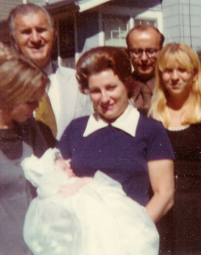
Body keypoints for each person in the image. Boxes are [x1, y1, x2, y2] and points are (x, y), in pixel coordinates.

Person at [58, 46, 175, 224]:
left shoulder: (150, 129)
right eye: (96, 91)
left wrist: (134, 232)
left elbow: (164, 195)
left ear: (127, 84)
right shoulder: (76, 129)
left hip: (132, 238)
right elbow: (57, 181)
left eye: (111, 87)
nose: (104, 99)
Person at [149, 43, 201, 255]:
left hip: (197, 214)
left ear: (194, 74)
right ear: (161, 75)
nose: (175, 77)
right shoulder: (148, 118)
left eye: (182, 70)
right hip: (158, 212)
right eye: (168, 70)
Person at [22, 148, 159, 255]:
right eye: (64, 169)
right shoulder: (48, 197)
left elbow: (93, 183)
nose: (69, 169)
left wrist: (78, 184)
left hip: (96, 222)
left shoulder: (76, 182)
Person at [7, 3, 92, 146]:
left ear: (54, 34)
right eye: (26, 32)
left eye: (41, 30)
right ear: (14, 40)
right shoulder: (5, 85)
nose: (35, 39)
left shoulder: (78, 81)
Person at [0, 42, 49, 255]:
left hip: (36, 246)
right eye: (31, 102)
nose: (37, 108)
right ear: (8, 95)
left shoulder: (29, 128)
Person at [126, 24, 164, 109]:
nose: (144, 58)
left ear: (162, 51)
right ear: (127, 53)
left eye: (151, 51)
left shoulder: (172, 87)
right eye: (137, 51)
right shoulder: (121, 89)